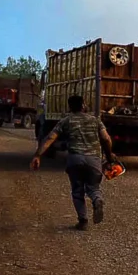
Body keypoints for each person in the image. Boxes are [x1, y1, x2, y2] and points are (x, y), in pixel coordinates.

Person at [31, 94, 114, 231]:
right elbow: (106, 139)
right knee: (93, 187)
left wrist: (38, 155)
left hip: (75, 159)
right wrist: (109, 157)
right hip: (93, 159)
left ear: (70, 107)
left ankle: (83, 221)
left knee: (77, 191)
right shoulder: (95, 120)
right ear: (83, 105)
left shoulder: (66, 121)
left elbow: (51, 138)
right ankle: (96, 200)